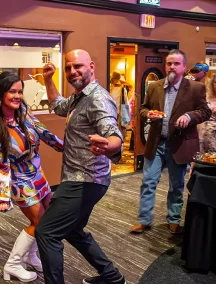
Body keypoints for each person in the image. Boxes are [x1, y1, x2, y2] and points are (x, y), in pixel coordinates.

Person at [35, 49, 125, 284]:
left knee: (46, 233)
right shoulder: (79, 96)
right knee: (73, 230)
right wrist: (48, 79)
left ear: (91, 67)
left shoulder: (98, 99)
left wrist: (109, 146)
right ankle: (112, 277)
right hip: (80, 178)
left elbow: (112, 132)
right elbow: (58, 105)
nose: (72, 71)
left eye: (78, 66)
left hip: (85, 179)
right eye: (68, 68)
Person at [0, 72, 63, 282]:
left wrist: (66, 147)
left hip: (39, 175)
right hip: (20, 182)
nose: (18, 96)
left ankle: (30, 255)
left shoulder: (24, 112)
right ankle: (13, 264)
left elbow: (43, 132)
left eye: (20, 91)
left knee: (48, 219)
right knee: (39, 222)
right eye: (12, 91)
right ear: (1, 93)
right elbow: (2, 166)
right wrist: (3, 196)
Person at [129, 49, 211, 235]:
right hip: (156, 142)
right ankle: (144, 220)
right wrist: (147, 114)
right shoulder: (154, 86)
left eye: (176, 63)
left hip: (179, 143)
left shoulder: (196, 88)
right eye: (169, 63)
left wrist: (190, 116)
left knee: (176, 185)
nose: (172, 67)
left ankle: (173, 219)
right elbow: (143, 109)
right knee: (148, 181)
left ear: (183, 67)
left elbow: (205, 112)